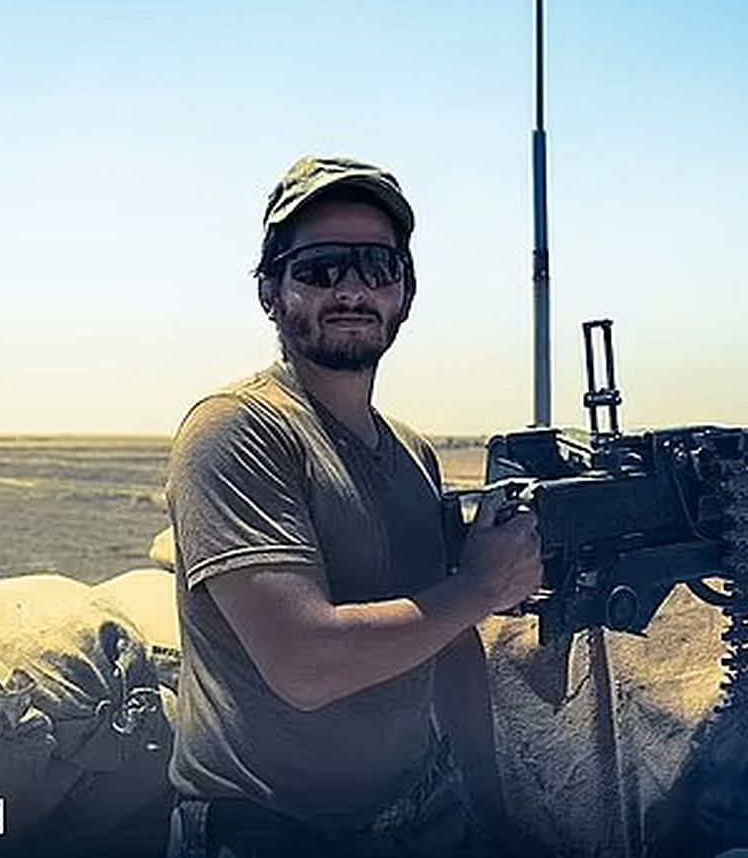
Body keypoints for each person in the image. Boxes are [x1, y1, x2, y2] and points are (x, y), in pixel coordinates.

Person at [164, 156, 543, 858]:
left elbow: (449, 642)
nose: (351, 289)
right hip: (266, 833)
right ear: (270, 291)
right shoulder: (237, 429)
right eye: (319, 269)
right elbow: (305, 665)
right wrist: (479, 586)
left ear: (405, 293)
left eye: (376, 266)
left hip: (421, 818)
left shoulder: (412, 453)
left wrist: (491, 812)